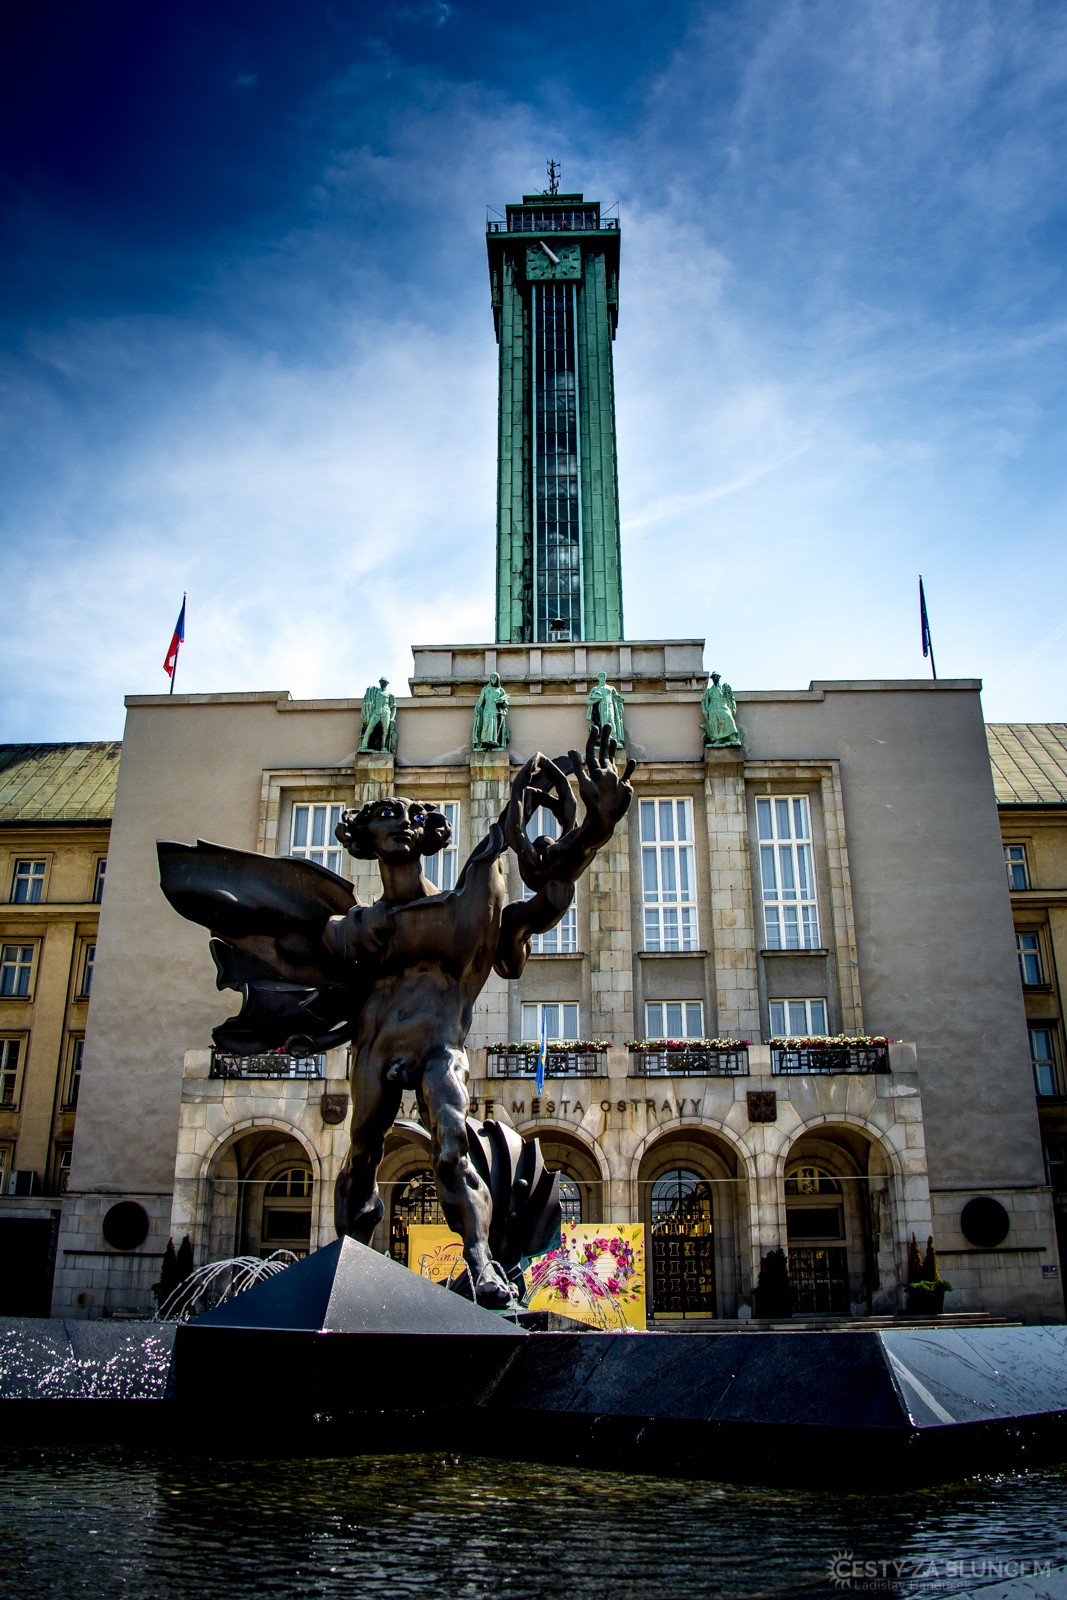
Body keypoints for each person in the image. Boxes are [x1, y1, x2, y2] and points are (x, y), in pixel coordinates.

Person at [701, 671, 742, 748]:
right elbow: (704, 701)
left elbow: (731, 698)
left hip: (723, 706)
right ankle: (718, 739)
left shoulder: (724, 688)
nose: (715, 679)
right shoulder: (709, 690)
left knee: (728, 718)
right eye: (713, 677)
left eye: (716, 677)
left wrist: (733, 707)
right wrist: (705, 710)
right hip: (713, 707)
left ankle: (732, 738)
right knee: (714, 722)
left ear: (719, 678)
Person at [585, 671, 625, 746]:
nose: (602, 678)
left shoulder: (611, 688)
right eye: (601, 676)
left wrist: (620, 701)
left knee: (611, 721)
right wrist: (596, 700)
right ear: (598, 678)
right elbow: (588, 701)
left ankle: (613, 739)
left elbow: (617, 698)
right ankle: (602, 739)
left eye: (604, 676)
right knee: (601, 722)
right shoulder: (595, 689)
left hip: (610, 707)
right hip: (599, 708)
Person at [471, 672, 509, 750]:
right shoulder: (485, 689)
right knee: (486, 727)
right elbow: (480, 702)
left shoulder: (500, 690)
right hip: (486, 711)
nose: (493, 679)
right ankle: (484, 743)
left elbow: (506, 704)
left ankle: (494, 743)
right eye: (492, 678)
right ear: (490, 679)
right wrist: (477, 710)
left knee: (494, 729)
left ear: (497, 679)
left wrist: (502, 702)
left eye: (495, 678)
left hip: (496, 712)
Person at [359, 677, 396, 754]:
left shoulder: (390, 694)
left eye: (385, 682)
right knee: (369, 728)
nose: (383, 683)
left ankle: (384, 747)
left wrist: (392, 718)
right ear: (380, 683)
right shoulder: (375, 692)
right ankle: (364, 745)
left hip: (386, 713)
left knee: (385, 730)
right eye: (382, 682)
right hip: (376, 712)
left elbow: (393, 707)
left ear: (387, 684)